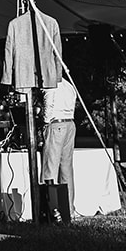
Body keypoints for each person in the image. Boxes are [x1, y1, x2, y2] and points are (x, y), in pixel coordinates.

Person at [39, 78, 76, 223]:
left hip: (56, 124)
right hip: (69, 123)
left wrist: (45, 122)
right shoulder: (68, 85)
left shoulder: (51, 83)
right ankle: (69, 210)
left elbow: (49, 104)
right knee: (66, 170)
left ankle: (51, 210)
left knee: (50, 168)